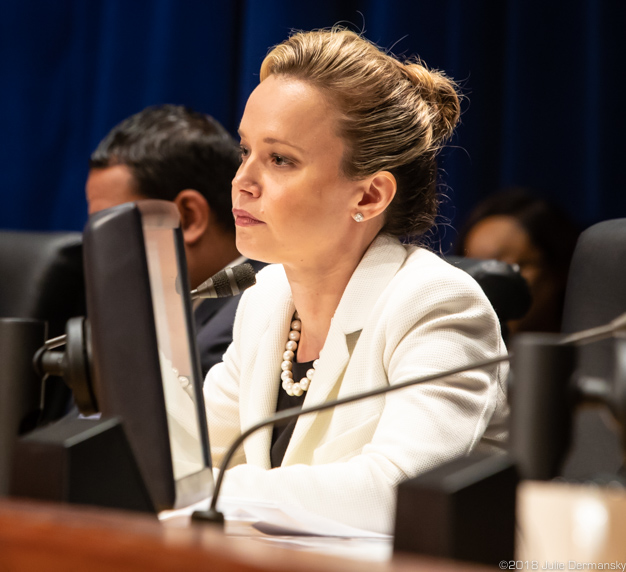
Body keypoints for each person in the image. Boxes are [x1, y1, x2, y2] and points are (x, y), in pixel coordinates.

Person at [202, 27, 509, 534]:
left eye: (279, 159)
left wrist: (210, 489)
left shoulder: (438, 305)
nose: (242, 181)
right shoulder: (267, 301)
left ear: (368, 196)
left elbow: (397, 493)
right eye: (245, 151)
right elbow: (190, 453)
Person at [86, 105, 265, 376]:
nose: (101, 253)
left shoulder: (241, 327)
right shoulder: (158, 313)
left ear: (188, 217)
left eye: (111, 228)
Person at [455, 188, 580, 334]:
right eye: (472, 268)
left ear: (560, 270)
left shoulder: (596, 351)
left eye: (504, 268)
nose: (484, 285)